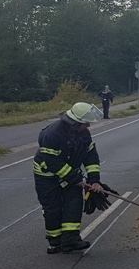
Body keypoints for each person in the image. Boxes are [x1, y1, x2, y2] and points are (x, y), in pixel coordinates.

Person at [33, 102, 106, 254]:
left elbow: (90, 156)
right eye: (86, 123)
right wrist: (75, 179)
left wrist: (94, 180)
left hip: (71, 174)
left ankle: (70, 241)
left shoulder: (83, 133)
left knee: (74, 204)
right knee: (52, 209)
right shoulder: (52, 134)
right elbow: (53, 162)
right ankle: (55, 242)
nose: (88, 126)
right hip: (47, 176)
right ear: (76, 122)